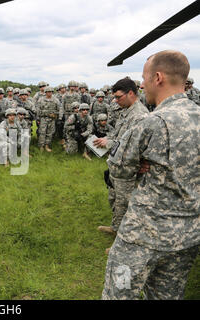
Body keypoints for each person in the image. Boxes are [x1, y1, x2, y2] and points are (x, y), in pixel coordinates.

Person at [101, 50, 199, 300]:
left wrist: (140, 163)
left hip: (143, 234)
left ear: (158, 77)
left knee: (119, 292)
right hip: (188, 236)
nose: (141, 85)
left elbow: (118, 167)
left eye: (143, 78)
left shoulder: (151, 123)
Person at [94, 78, 149, 241]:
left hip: (128, 169)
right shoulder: (126, 111)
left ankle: (123, 242)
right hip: (117, 166)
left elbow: (132, 146)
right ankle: (116, 228)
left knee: (126, 206)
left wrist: (108, 142)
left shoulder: (139, 115)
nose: (115, 100)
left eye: (118, 97)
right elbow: (119, 135)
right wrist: (107, 139)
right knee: (115, 200)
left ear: (131, 93)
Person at [37, 86, 62, 152]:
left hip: (52, 119)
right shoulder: (41, 100)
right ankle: (41, 146)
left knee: (50, 132)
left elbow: (59, 109)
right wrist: (38, 119)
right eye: (48, 92)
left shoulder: (56, 100)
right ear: (45, 92)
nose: (49, 93)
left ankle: (47, 145)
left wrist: (56, 115)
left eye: (50, 92)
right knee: (42, 132)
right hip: (43, 118)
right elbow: (38, 110)